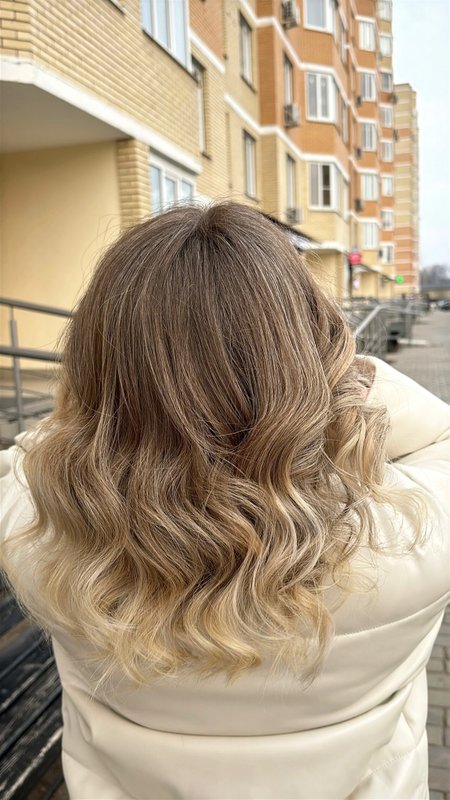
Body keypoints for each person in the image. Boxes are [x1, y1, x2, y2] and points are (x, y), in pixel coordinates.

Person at [1, 203, 449, 800]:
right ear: (323, 362)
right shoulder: (416, 534)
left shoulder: (36, 534)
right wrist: (342, 381)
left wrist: (103, 403)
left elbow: (33, 448)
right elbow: (440, 433)